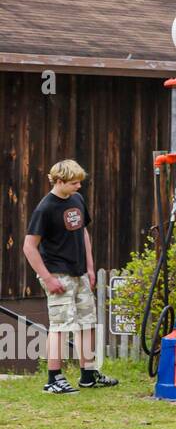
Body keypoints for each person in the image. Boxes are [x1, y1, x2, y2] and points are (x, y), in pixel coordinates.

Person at [22, 160, 117, 393]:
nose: (78, 187)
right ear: (60, 181)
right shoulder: (45, 208)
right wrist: (46, 277)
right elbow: (29, 247)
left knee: (87, 324)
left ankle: (89, 375)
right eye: (74, 183)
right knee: (61, 327)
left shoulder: (77, 199)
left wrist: (91, 267)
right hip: (57, 275)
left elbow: (83, 231)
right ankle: (54, 379)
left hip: (80, 273)